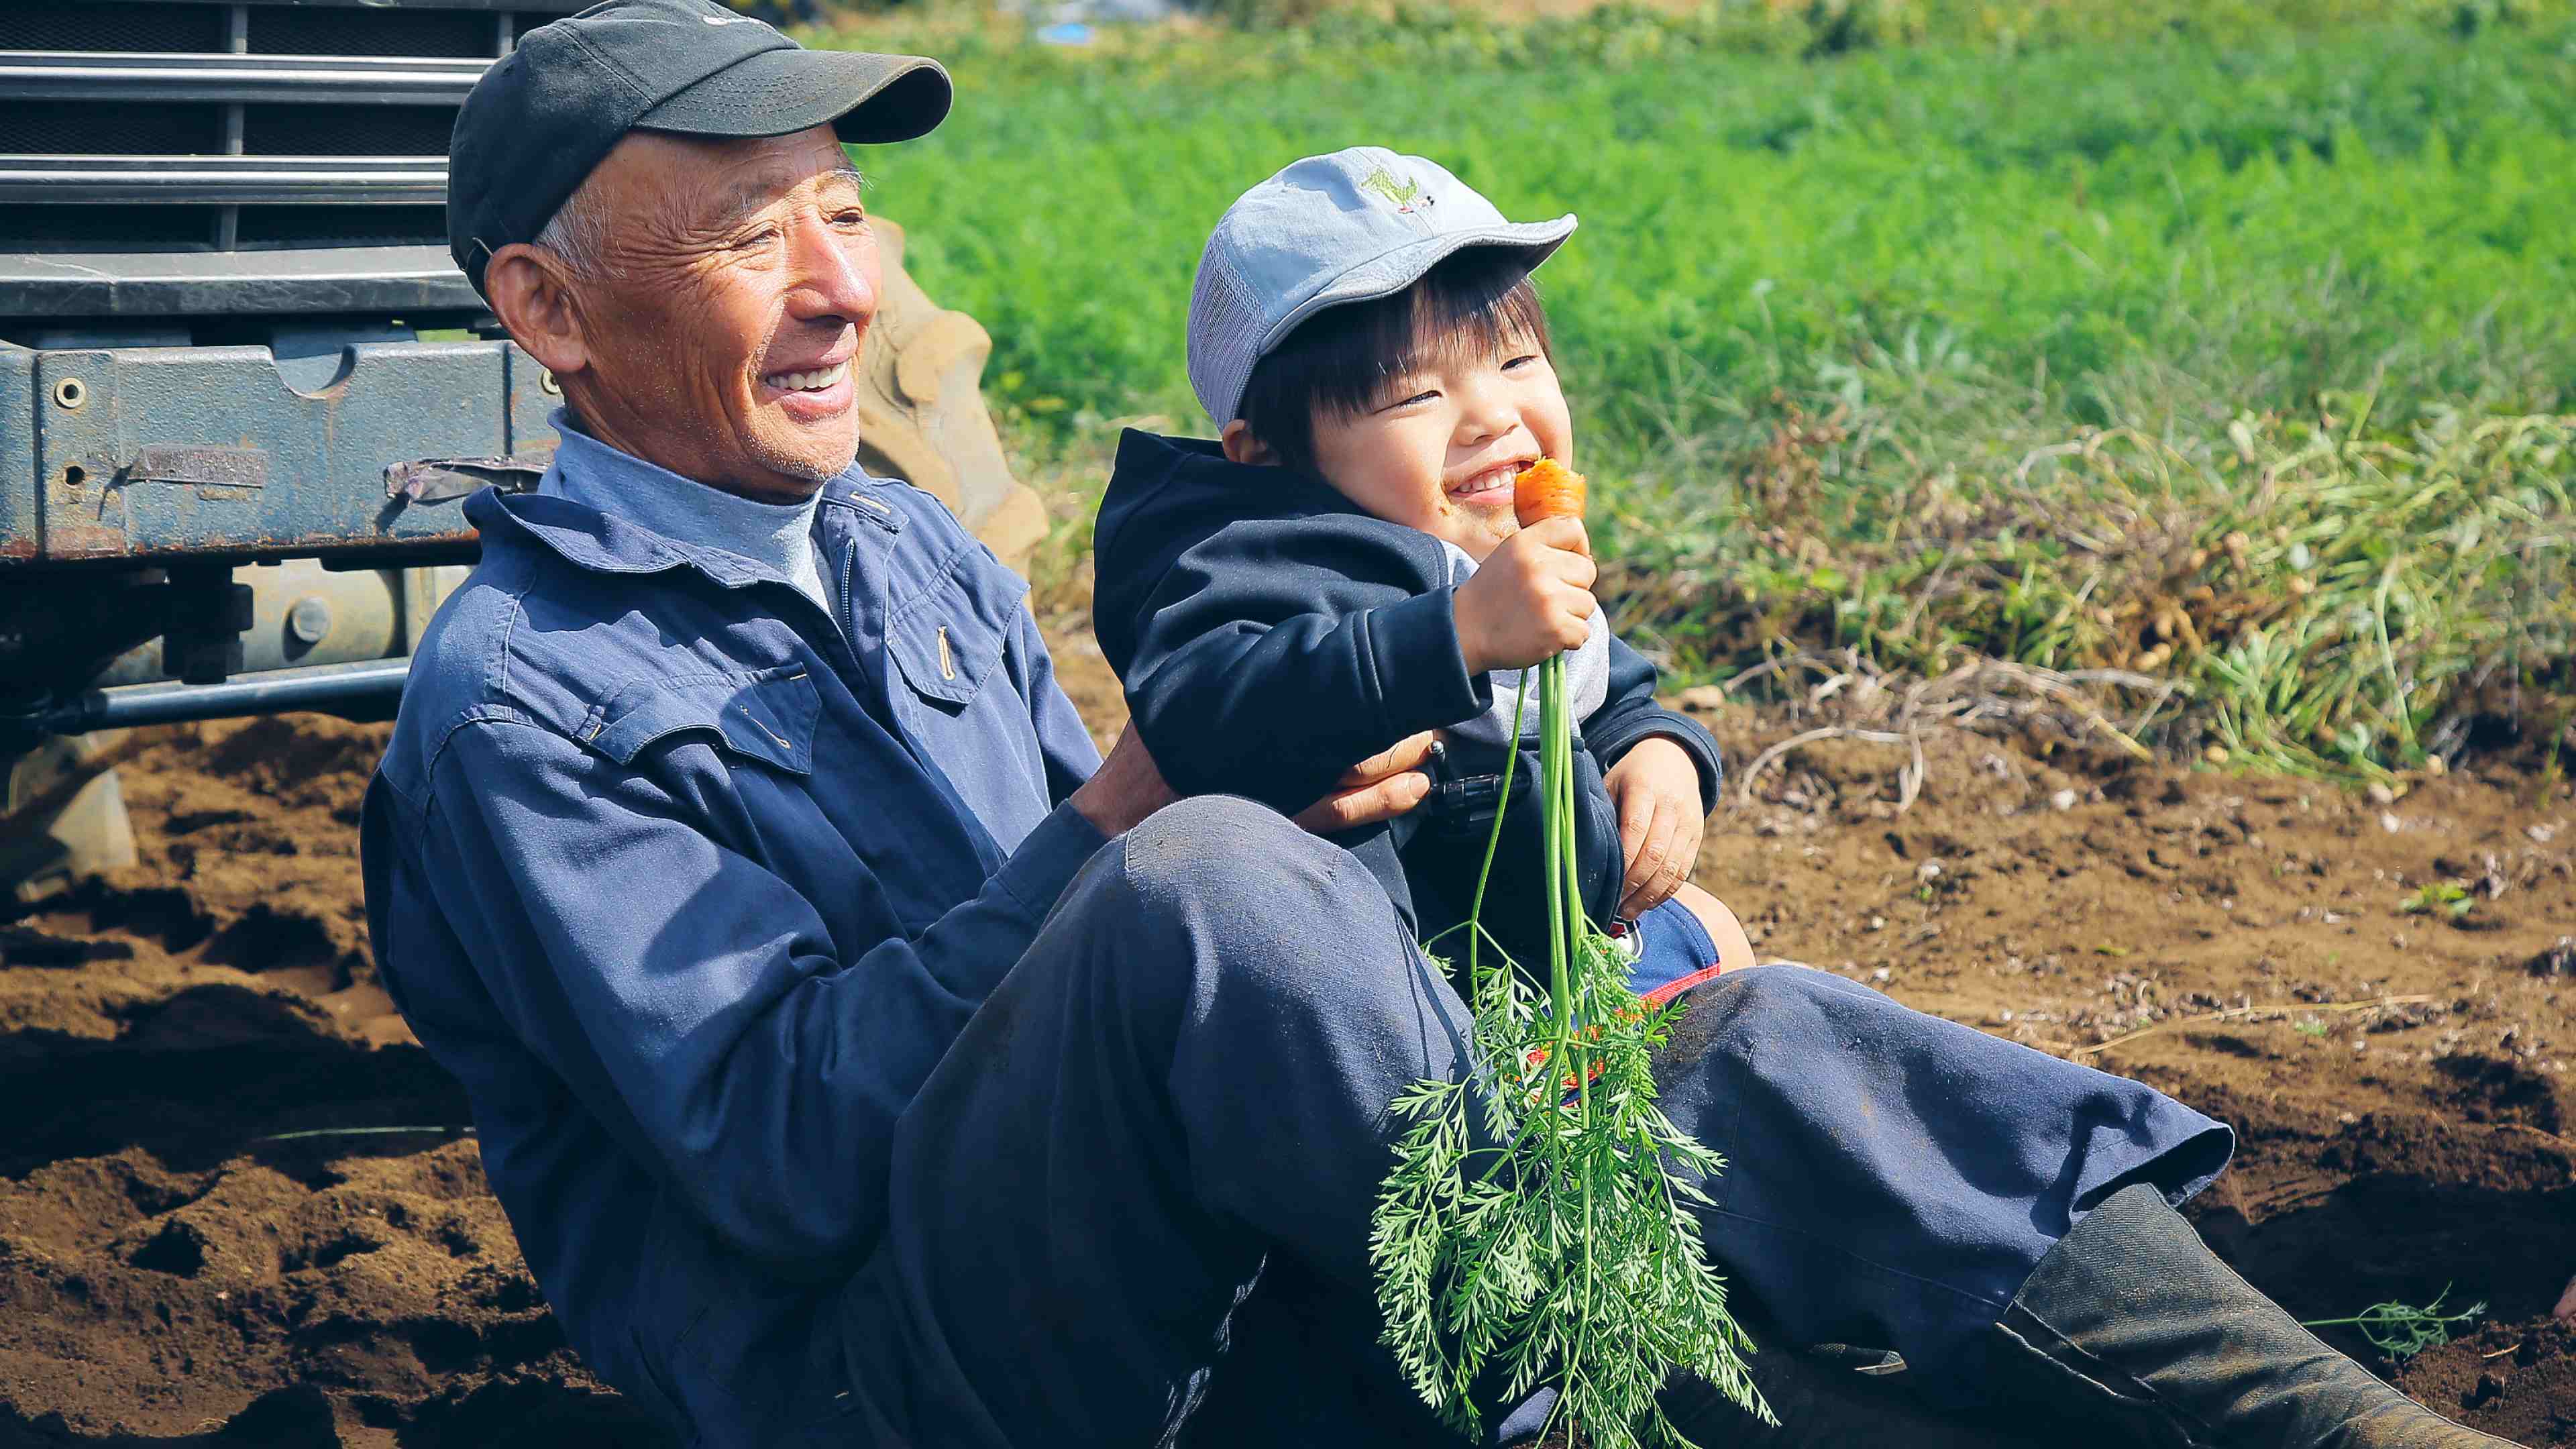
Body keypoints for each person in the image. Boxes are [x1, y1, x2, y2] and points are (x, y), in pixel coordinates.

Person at [360, 5, 2519, 1446]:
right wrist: (1126, 823)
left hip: (1187, 1266)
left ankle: (2327, 1425)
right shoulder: (516, 708)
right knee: (1211, 878)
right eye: (757, 235)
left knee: (1755, 1045)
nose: (844, 282)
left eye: (842, 211)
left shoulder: (893, 544)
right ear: (545, 309)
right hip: (905, 1381)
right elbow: (780, 1160)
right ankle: (1601, 1368)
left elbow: (1124, 972)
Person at [1094, 150, 1752, 1005]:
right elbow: (1205, 714)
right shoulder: (1257, 563)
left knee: (1720, 933)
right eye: (1415, 395)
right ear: (1271, 457)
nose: (1493, 416)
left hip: (1553, 956)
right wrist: (1457, 635)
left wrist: (1661, 754)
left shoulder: (1492, 561)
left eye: (1516, 362)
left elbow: (1613, 691)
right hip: (1389, 1002)